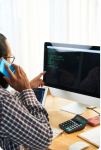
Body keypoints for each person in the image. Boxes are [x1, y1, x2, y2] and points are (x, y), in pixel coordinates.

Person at [0, 33, 53, 150]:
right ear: (2, 63)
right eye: (9, 58)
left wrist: (26, 87)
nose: (10, 62)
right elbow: (44, 139)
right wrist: (27, 90)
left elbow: (11, 110)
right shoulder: (3, 101)